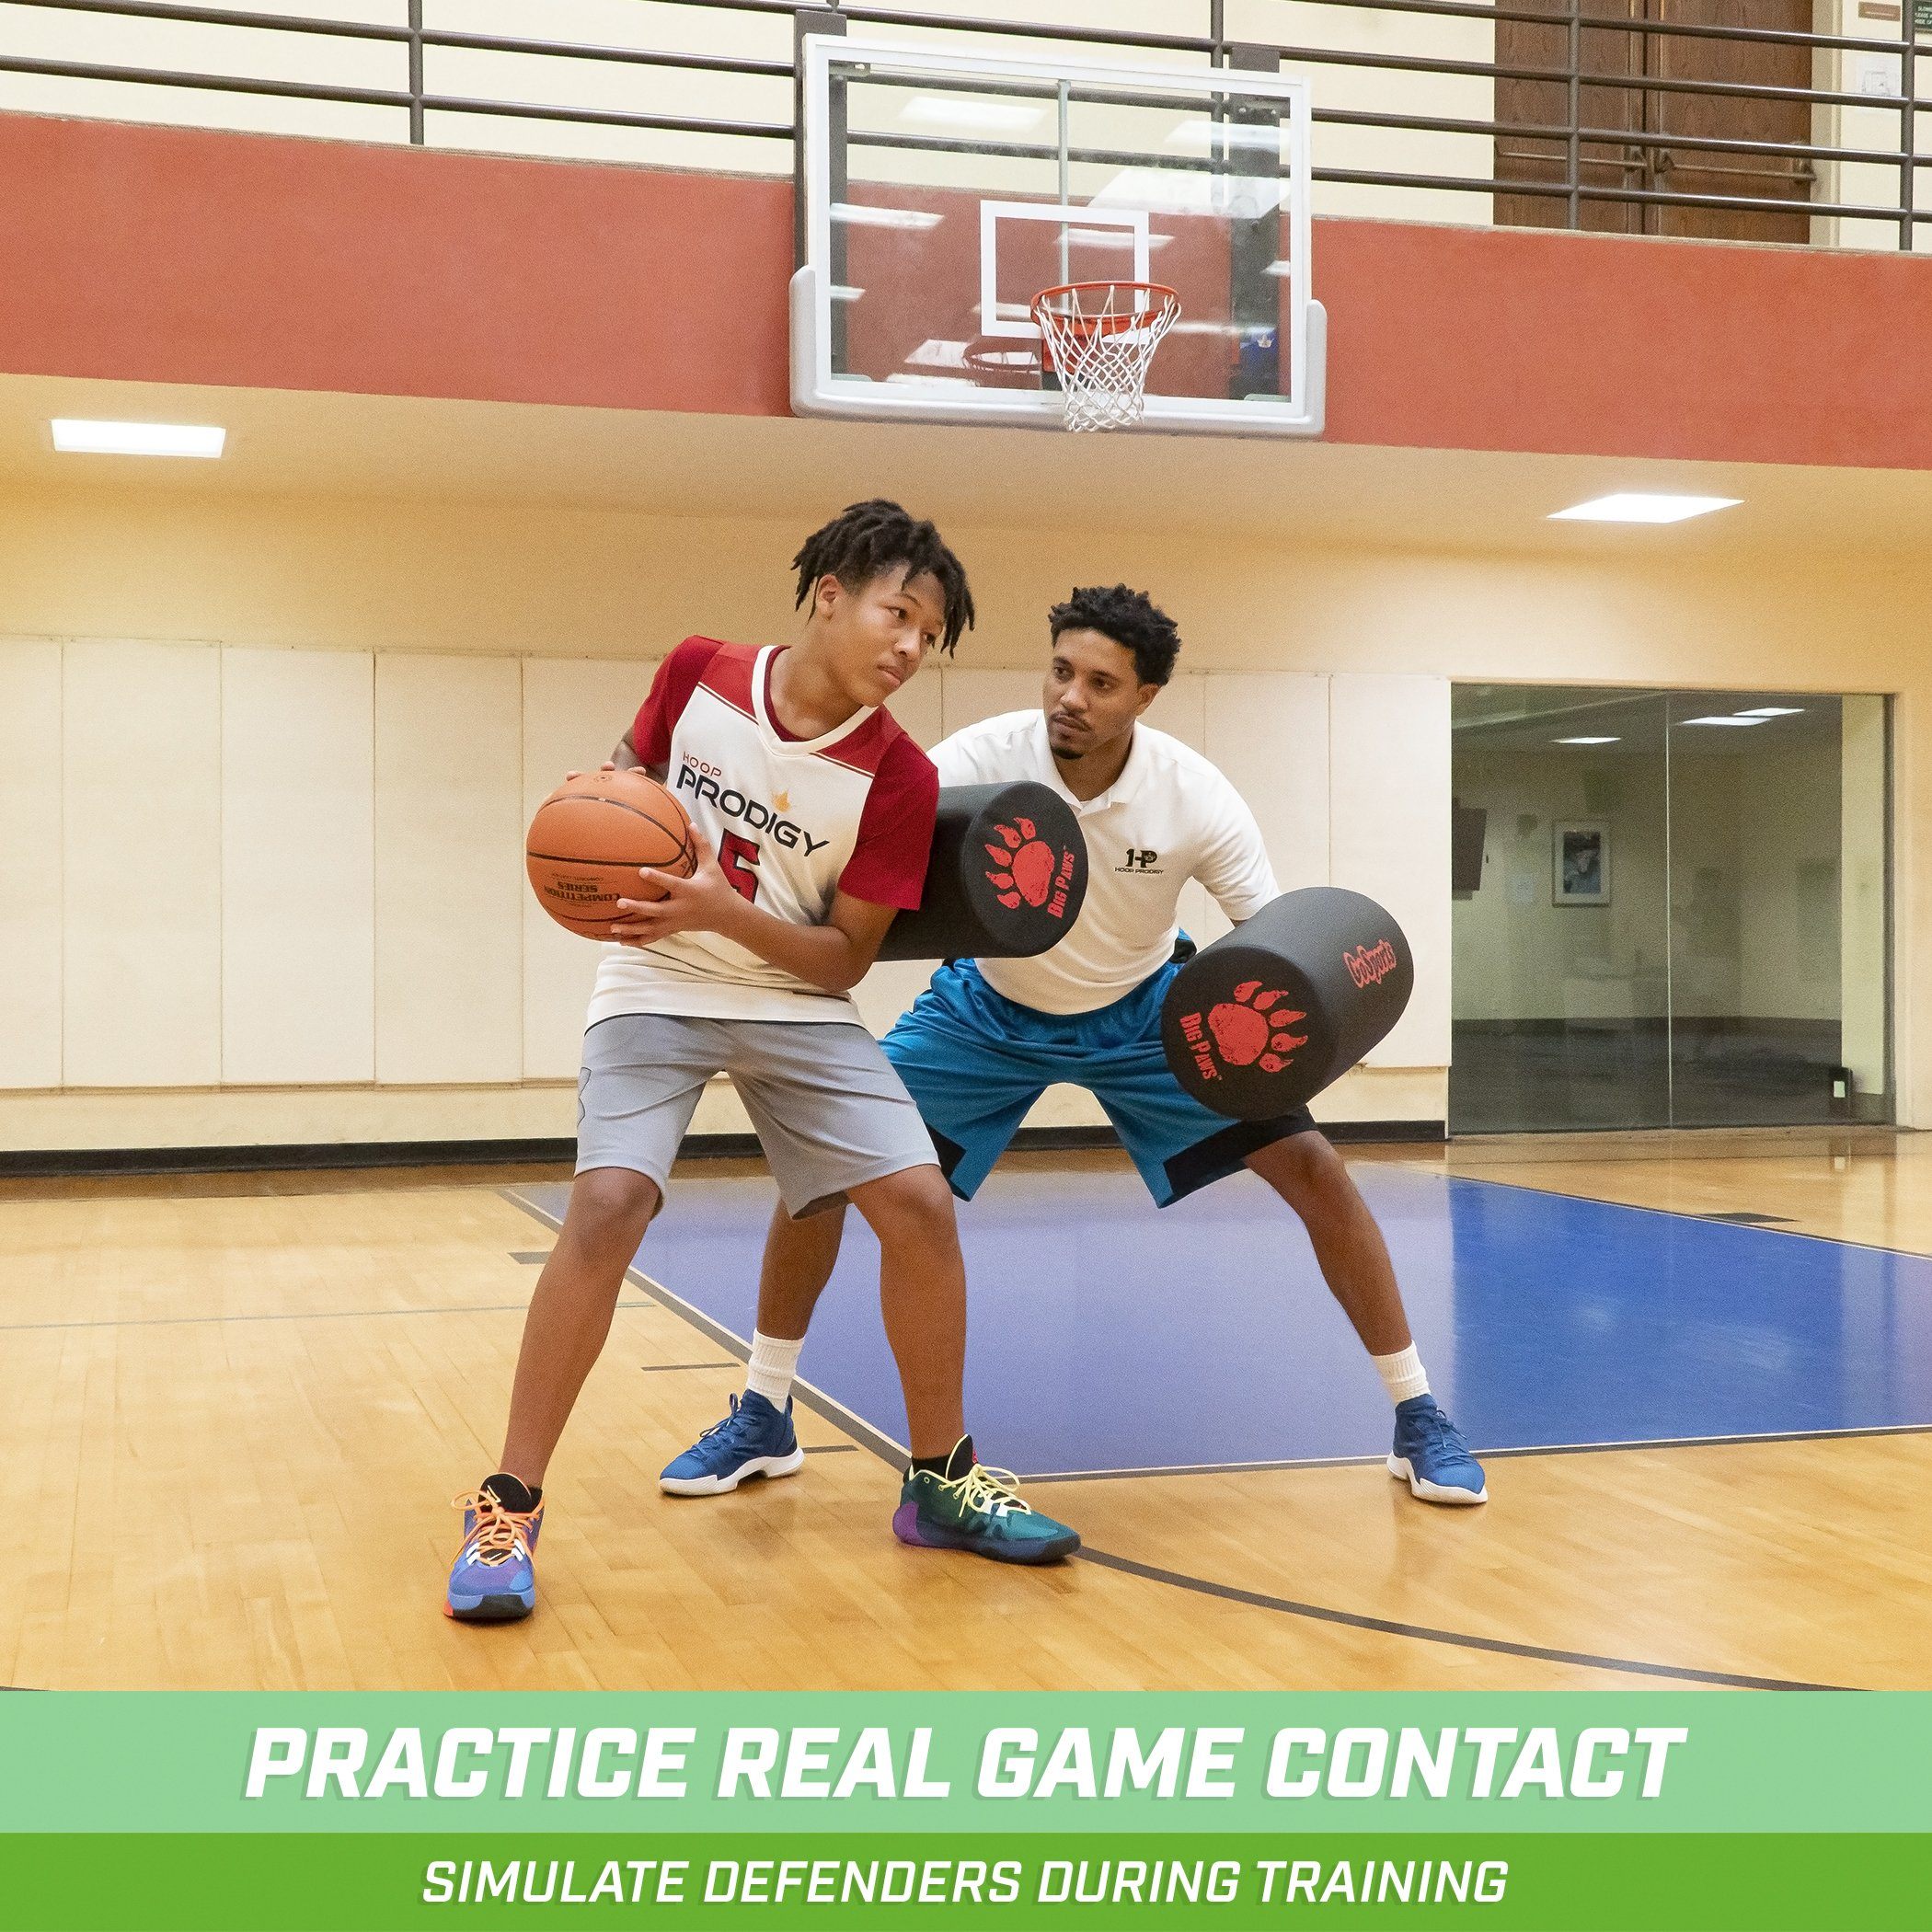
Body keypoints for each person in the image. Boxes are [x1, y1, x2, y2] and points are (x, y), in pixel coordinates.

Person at [662, 583, 1488, 1510]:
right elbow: (868, 861)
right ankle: (764, 1411)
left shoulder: (1191, 795)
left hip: (1144, 1015)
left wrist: (1287, 1022)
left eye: (1101, 682)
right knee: (817, 1176)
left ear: (1144, 697)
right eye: (1061, 671)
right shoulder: (976, 759)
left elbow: (1273, 934)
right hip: (986, 1012)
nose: (1071, 697)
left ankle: (1418, 1417)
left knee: (1317, 1172)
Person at [445, 501, 1080, 1625]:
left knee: (921, 1206)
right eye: (898, 614)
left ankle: (940, 1483)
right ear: (827, 591)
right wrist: (596, 824)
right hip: (654, 986)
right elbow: (625, 777)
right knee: (608, 1203)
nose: (908, 648)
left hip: (794, 1001)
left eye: (929, 636)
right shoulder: (697, 673)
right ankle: (506, 1507)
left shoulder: (899, 780)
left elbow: (840, 961)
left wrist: (721, 908)